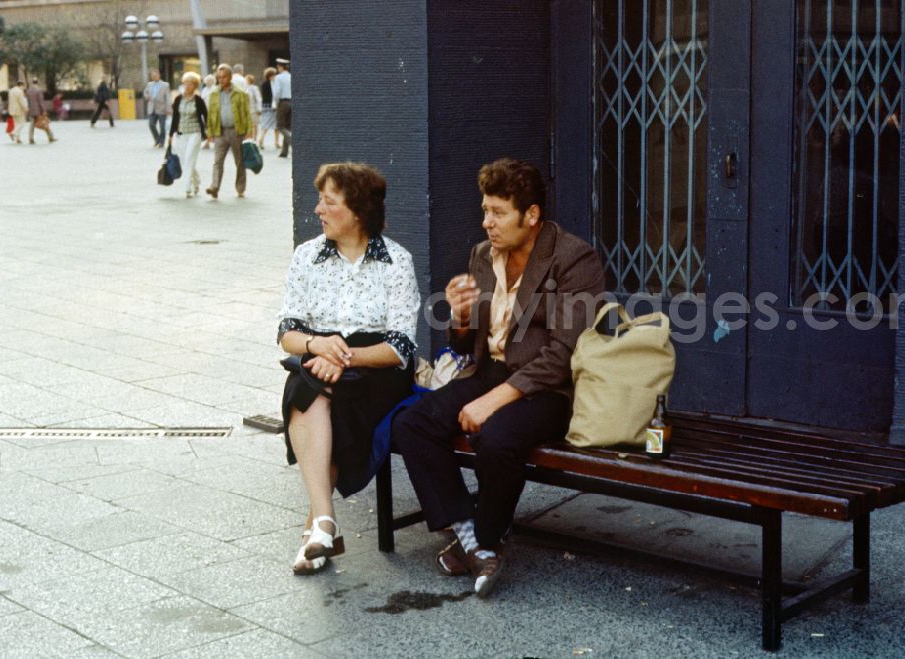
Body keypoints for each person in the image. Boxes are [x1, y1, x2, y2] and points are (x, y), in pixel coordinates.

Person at [393, 158, 606, 597]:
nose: (487, 222)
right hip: (488, 370)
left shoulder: (573, 258)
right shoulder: (482, 255)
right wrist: (461, 316)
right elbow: (468, 341)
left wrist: (493, 401)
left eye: (498, 213)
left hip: (549, 389)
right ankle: (472, 535)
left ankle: (488, 539)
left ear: (531, 215)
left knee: (496, 436)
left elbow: (564, 354)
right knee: (412, 424)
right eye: (484, 210)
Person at [277, 162, 421, 575]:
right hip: (317, 354)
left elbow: (400, 346)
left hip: (375, 366)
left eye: (329, 201)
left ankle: (317, 529)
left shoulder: (396, 261)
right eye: (320, 200)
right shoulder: (307, 256)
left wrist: (343, 357)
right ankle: (324, 521)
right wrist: (316, 345)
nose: (318, 209)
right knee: (307, 387)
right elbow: (287, 330)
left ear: (357, 211)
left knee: (330, 400)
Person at [205, 63, 254, 199]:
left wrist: (249, 131)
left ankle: (240, 188)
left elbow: (246, 113)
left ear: (230, 77)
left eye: (224, 77)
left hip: (236, 131)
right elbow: (211, 114)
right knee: (217, 161)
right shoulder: (214, 93)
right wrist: (209, 132)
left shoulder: (240, 93)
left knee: (239, 162)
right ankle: (214, 187)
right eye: (219, 77)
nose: (221, 80)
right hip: (219, 131)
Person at [169, 72, 208, 198]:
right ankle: (197, 181)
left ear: (195, 86)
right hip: (181, 131)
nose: (187, 86)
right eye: (185, 83)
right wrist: (170, 135)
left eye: (190, 84)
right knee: (184, 160)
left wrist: (209, 132)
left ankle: (187, 188)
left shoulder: (198, 100)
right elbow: (175, 117)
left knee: (189, 158)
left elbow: (205, 116)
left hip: (195, 132)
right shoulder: (178, 99)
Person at [144, 70, 171, 148]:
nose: (154, 77)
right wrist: (147, 96)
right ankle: (157, 139)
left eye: (155, 75)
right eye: (152, 76)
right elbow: (145, 93)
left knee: (162, 127)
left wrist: (168, 109)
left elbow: (168, 97)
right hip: (151, 108)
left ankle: (161, 142)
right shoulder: (149, 84)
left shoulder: (165, 85)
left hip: (162, 108)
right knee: (151, 124)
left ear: (159, 75)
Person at [271, 57, 291, 158]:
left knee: (280, 126)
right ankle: (284, 151)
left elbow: (277, 92)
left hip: (282, 102)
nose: (277, 68)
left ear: (281, 67)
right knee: (287, 127)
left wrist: (275, 102)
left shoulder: (278, 78)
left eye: (278, 67)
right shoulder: (291, 76)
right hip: (292, 102)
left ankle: (292, 141)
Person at [26, 78, 56, 144]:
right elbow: (41, 101)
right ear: (37, 82)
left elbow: (27, 102)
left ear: (32, 82)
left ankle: (30, 138)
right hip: (38, 110)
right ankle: (51, 137)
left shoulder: (28, 91)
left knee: (32, 125)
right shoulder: (39, 90)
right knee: (44, 122)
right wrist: (44, 110)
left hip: (31, 110)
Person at [258, 67, 278, 150]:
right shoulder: (273, 84)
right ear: (271, 75)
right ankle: (276, 142)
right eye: (274, 75)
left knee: (265, 124)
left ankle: (261, 140)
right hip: (272, 106)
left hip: (265, 106)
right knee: (276, 125)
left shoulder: (263, 84)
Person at [200, 74, 217, 148]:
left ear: (213, 81)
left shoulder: (215, 89)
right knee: (207, 126)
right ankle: (208, 140)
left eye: (210, 81)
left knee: (213, 126)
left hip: (213, 110)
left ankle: (210, 141)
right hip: (205, 110)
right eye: (207, 81)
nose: (208, 82)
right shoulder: (204, 89)